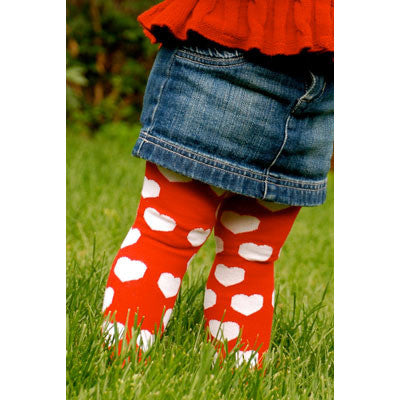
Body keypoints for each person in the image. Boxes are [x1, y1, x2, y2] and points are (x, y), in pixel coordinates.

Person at [101, 0, 334, 368]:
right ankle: (238, 374)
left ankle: (120, 362)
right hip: (319, 79)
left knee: (165, 235)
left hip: (226, 41)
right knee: (253, 257)